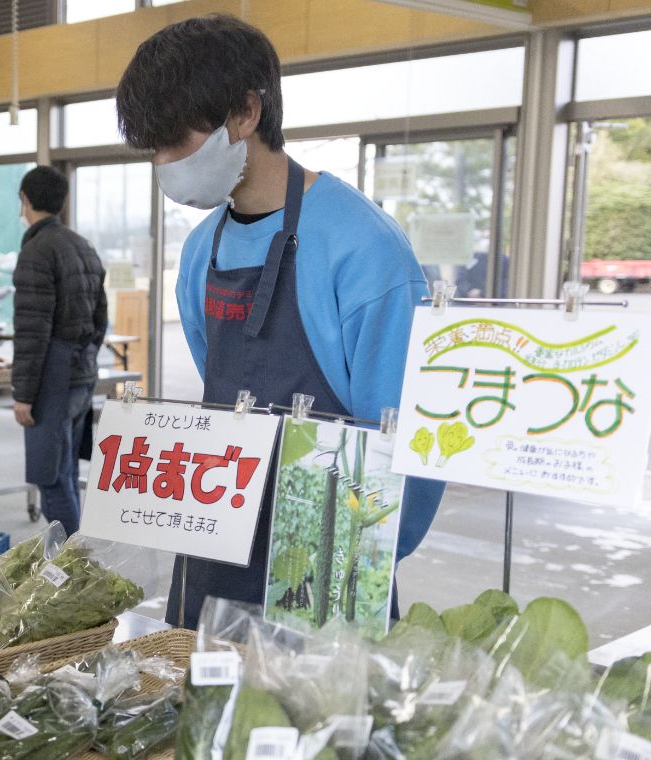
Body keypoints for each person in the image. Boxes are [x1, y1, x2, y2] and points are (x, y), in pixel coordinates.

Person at [115, 14, 445, 629]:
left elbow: (412, 442)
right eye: (151, 149)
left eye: (173, 143)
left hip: (328, 559)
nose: (163, 164)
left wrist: (353, 560)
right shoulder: (200, 250)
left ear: (245, 112)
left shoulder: (363, 250)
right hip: (216, 540)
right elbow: (214, 380)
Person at [12, 165, 108, 535]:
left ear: (25, 201)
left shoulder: (37, 251)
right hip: (83, 371)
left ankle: (66, 572)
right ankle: (75, 562)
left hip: (52, 375)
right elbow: (101, 319)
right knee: (66, 470)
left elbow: (32, 331)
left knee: (50, 476)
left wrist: (23, 394)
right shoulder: (82, 245)